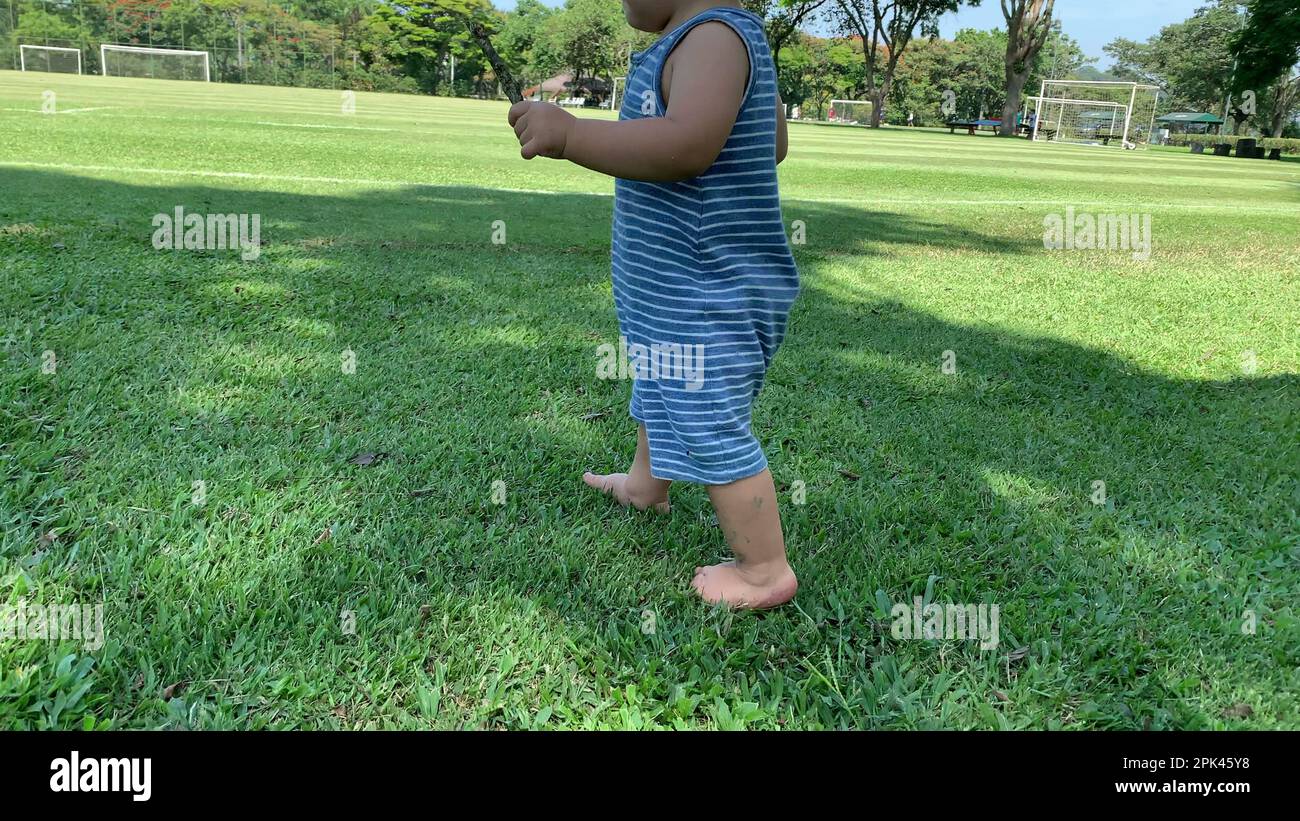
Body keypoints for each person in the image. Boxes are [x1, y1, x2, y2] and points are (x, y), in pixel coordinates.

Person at [506, 0, 799, 609]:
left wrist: (572, 134)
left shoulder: (713, 38)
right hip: (671, 281)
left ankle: (763, 570)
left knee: (707, 414)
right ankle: (646, 485)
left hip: (703, 287)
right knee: (660, 378)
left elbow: (690, 143)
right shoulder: (708, 40)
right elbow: (768, 142)